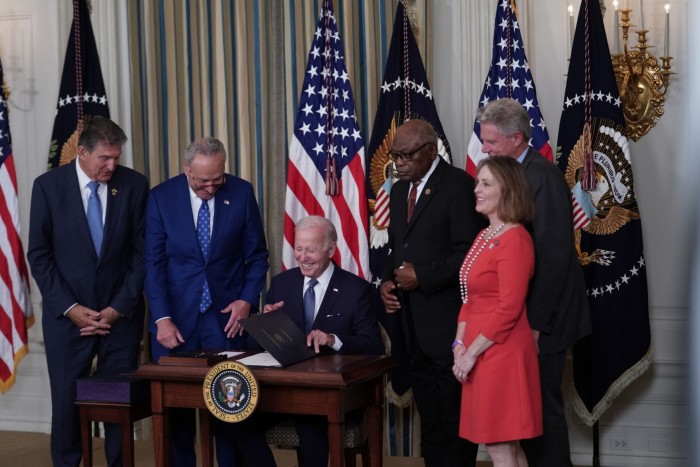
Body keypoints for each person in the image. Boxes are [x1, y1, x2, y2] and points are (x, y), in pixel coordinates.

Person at [27, 116, 149, 467]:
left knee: (117, 404)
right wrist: (71, 307)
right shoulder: (48, 187)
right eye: (104, 158)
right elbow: (39, 255)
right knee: (66, 405)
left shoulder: (134, 185)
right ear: (81, 152)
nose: (112, 165)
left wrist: (116, 308)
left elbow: (143, 255)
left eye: (116, 157)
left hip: (119, 318)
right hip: (68, 320)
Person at [478, 98, 592, 467]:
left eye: (491, 142)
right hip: (522, 315)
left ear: (516, 138)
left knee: (542, 408)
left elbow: (554, 256)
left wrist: (537, 324)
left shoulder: (541, 176)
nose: (484, 148)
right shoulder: (512, 174)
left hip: (547, 317)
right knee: (527, 410)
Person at [144, 136, 269, 467]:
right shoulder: (161, 198)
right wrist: (161, 319)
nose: (211, 188)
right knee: (178, 416)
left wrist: (246, 300)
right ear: (186, 168)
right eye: (202, 181)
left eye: (217, 179)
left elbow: (257, 257)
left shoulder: (241, 193)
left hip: (226, 321)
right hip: (176, 322)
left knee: (230, 409)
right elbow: (153, 266)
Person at [232, 215, 384, 467]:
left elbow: (374, 346)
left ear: (331, 249)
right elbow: (251, 345)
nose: (303, 257)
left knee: (310, 425)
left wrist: (333, 339)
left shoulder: (356, 289)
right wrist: (266, 324)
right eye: (299, 248)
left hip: (330, 394)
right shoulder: (282, 283)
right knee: (234, 417)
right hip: (281, 391)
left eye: (311, 249)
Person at [379, 119, 485, 467]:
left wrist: (422, 277)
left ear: (431, 151)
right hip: (411, 323)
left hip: (450, 322)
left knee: (453, 414)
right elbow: (397, 246)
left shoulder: (458, 186)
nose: (399, 163)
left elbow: (470, 253)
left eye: (407, 155)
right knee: (428, 411)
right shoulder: (397, 191)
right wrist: (388, 282)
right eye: (396, 156)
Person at [452, 156, 541, 467]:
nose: (477, 188)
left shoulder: (515, 238)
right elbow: (468, 298)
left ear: (509, 190)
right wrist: (458, 345)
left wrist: (472, 353)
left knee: (500, 446)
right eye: (478, 182)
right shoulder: (484, 235)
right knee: (506, 447)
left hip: (501, 350)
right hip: (478, 348)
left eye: (486, 183)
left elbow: (509, 308)